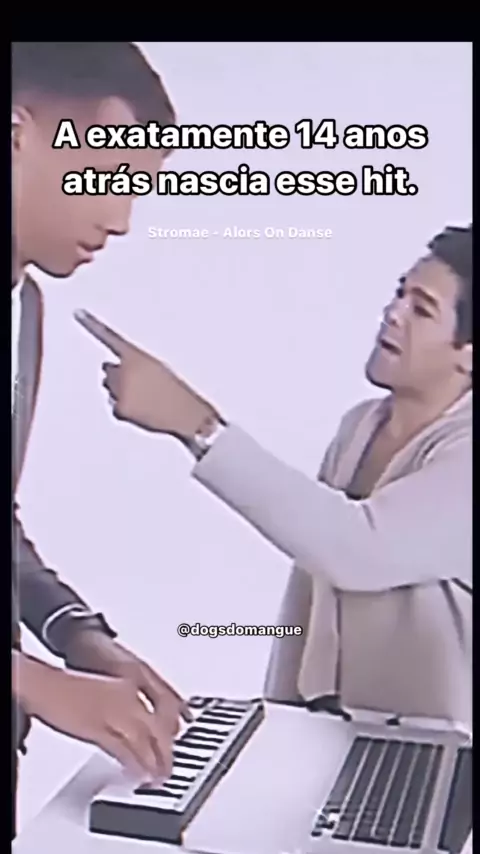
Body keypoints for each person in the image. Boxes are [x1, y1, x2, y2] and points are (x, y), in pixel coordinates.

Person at [77, 224, 472, 729]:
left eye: (422, 309)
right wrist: (279, 719)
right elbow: (313, 583)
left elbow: (358, 549)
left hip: (445, 754)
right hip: (343, 731)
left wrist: (198, 426)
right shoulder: (362, 425)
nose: (393, 313)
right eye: (400, 293)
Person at [11, 42, 189, 837]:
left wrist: (81, 639)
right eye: (108, 180)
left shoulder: (26, 310)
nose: (120, 221)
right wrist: (34, 682)